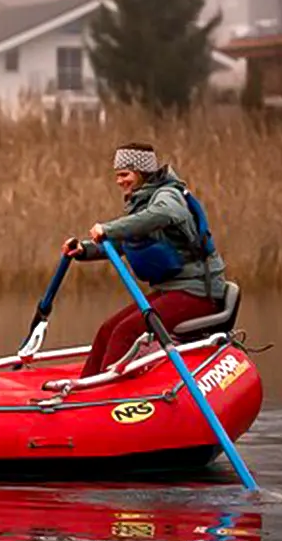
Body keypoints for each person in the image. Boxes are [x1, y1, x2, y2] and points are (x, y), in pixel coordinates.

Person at [63, 143, 227, 378]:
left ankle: (108, 395)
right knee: (107, 330)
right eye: (117, 175)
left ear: (141, 173)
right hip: (172, 291)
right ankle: (83, 392)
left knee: (126, 332)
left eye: (124, 175)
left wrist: (108, 228)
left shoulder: (167, 195)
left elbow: (165, 214)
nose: (119, 181)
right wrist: (83, 250)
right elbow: (122, 242)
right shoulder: (143, 202)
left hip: (198, 292)